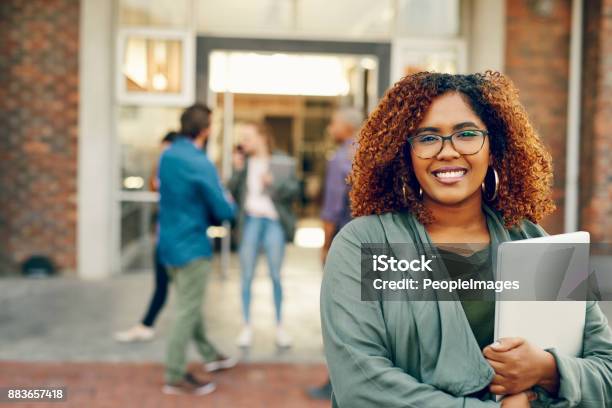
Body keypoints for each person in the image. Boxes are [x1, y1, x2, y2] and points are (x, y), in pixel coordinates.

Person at [320, 72, 612, 407]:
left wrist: (547, 370)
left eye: (467, 134)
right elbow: (361, 387)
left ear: (494, 147)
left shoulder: (535, 245)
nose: (448, 152)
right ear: (404, 153)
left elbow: (605, 371)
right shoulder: (364, 246)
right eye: (427, 138)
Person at [159, 104, 238, 396]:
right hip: (191, 244)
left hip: (167, 244)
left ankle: (208, 354)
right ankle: (174, 374)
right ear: (206, 129)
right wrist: (230, 201)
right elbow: (222, 209)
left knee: (188, 305)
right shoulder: (199, 162)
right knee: (186, 310)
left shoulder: (167, 155)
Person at [227, 121, 300, 348]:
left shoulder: (280, 161)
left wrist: (274, 184)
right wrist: (237, 171)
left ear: (262, 137)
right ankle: (246, 327)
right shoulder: (244, 163)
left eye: (248, 137)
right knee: (246, 275)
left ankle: (279, 327)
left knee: (276, 276)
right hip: (250, 221)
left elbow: (295, 191)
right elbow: (229, 192)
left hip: (273, 223)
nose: (243, 142)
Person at [308, 107, 363, 400]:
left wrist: (325, 245)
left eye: (333, 123)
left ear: (346, 126)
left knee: (341, 316)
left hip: (347, 243)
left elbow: (331, 208)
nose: (330, 128)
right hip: (375, 244)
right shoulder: (373, 153)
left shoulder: (341, 157)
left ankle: (337, 382)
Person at [114, 131, 177, 343]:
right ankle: (146, 324)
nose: (162, 154)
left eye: (165, 148)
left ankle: (146, 325)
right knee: (163, 285)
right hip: (164, 235)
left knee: (182, 294)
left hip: (175, 239)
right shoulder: (162, 168)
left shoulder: (177, 171)